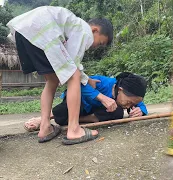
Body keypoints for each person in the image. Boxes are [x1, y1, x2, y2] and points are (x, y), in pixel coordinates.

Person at [6, 6, 113, 144]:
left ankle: (45, 127)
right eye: (100, 42)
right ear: (95, 30)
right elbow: (73, 63)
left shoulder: (72, 25)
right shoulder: (84, 30)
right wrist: (85, 79)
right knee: (73, 75)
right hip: (42, 29)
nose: (96, 46)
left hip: (24, 32)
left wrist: (87, 79)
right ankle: (74, 129)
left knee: (52, 80)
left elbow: (66, 59)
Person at [24, 72, 148, 144]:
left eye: (132, 105)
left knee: (117, 111)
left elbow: (138, 103)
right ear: (120, 90)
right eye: (130, 102)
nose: (130, 106)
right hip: (78, 105)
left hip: (92, 113)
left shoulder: (128, 99)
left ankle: (80, 120)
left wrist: (141, 110)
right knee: (61, 115)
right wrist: (101, 97)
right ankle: (43, 119)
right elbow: (78, 85)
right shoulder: (102, 82)